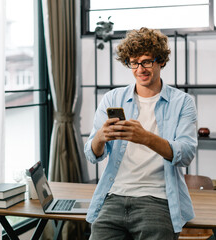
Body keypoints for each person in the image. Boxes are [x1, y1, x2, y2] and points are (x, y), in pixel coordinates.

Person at [84, 27, 198, 240]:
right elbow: (92, 154)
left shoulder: (182, 102)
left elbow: (186, 153)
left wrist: (145, 137)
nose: (140, 69)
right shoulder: (112, 98)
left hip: (157, 199)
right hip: (114, 196)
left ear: (161, 61)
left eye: (147, 61)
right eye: (134, 63)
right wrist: (100, 136)